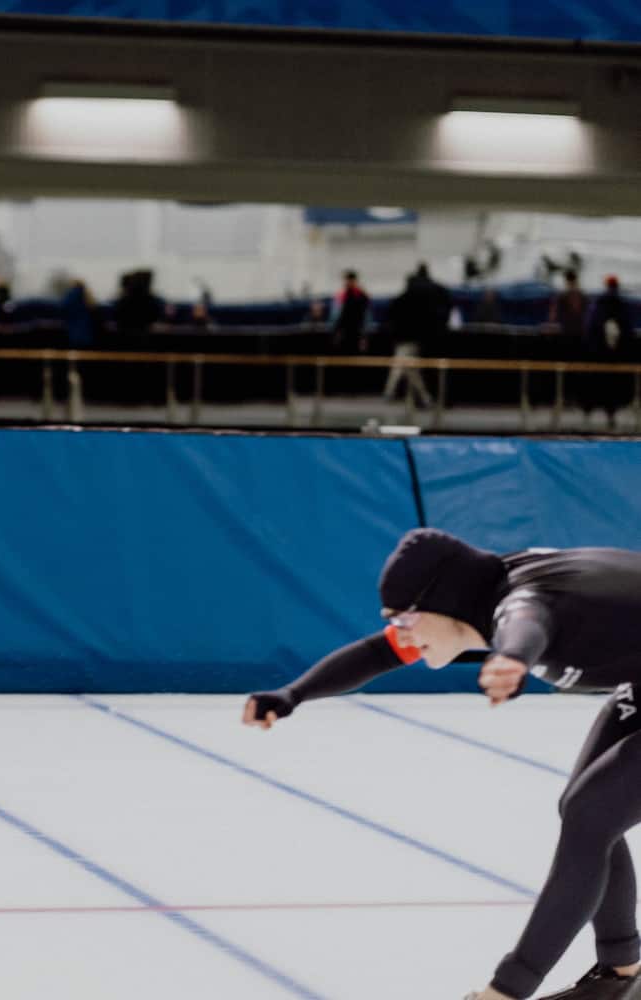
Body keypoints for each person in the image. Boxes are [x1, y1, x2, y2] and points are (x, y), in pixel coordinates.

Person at [244, 527, 641, 1000]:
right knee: (585, 815)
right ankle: (622, 973)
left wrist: (513, 658)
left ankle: (507, 991)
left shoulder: (520, 603)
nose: (401, 633)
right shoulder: (481, 593)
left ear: (443, 601)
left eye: (406, 618)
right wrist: (293, 694)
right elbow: (376, 653)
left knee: (589, 814)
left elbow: (529, 622)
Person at [382, 263, 447, 408]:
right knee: (412, 370)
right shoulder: (421, 300)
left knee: (399, 367)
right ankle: (424, 398)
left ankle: (389, 393)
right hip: (415, 340)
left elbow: (391, 321)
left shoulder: (401, 301)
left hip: (405, 341)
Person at [578, 276, 635, 429]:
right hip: (614, 356)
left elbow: (590, 327)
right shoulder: (620, 304)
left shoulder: (599, 304)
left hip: (598, 354)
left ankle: (587, 415)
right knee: (611, 388)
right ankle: (609, 416)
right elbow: (628, 331)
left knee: (594, 385)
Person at [330, 269, 371, 353]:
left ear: (353, 280)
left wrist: (364, 335)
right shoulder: (342, 295)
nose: (345, 283)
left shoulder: (361, 295)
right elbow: (337, 317)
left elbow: (365, 317)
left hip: (356, 331)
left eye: (347, 280)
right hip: (345, 331)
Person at [549, 270, 587, 339]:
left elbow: (553, 314)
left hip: (567, 330)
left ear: (566, 280)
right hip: (580, 329)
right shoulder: (582, 295)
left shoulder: (562, 296)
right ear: (576, 279)